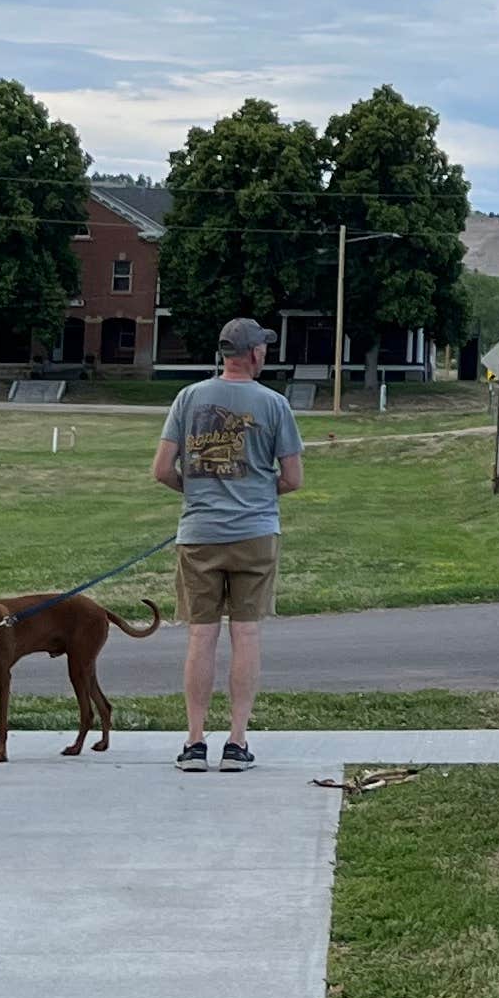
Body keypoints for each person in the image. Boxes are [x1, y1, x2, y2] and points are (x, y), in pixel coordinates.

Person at [152, 317, 303, 770]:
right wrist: (256, 492)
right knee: (246, 633)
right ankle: (237, 742)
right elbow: (292, 478)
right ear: (254, 354)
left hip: (199, 535)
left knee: (201, 636)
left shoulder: (188, 398)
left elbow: (161, 469)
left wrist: (200, 492)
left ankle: (195, 742)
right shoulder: (275, 404)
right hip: (255, 534)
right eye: (264, 349)